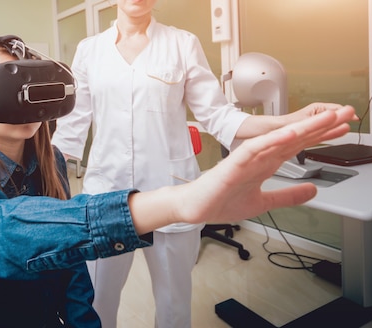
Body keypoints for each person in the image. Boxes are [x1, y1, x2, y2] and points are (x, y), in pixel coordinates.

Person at [0, 35, 356, 327]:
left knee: (170, 301)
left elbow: (71, 275)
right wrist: (172, 203)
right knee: (106, 293)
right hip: (102, 207)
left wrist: (286, 122)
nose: (26, 103)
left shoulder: (51, 164)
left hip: (151, 192)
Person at [50, 1, 356, 327]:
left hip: (173, 194)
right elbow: (70, 132)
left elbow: (219, 117)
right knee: (94, 303)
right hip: (105, 196)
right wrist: (42, 199)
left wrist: (291, 120)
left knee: (174, 304)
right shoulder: (89, 50)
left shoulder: (182, 43)